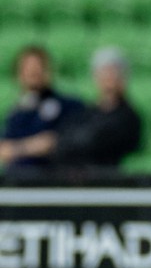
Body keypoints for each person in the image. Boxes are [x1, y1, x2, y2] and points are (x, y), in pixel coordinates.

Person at [0, 47, 142, 172]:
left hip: (86, 180)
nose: (108, 79)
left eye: (112, 73)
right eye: (104, 73)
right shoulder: (17, 113)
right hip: (23, 178)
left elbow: (82, 143)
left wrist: (52, 143)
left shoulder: (69, 106)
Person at [0, 45, 83, 173]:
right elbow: (4, 150)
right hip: (16, 181)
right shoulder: (16, 113)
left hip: (51, 180)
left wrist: (16, 149)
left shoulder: (68, 106)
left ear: (48, 71)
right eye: (27, 69)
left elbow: (54, 142)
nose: (33, 73)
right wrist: (31, 146)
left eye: (37, 68)